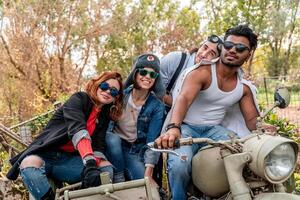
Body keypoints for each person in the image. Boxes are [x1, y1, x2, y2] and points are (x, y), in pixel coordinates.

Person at [155, 25, 260, 200]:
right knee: (179, 165)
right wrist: (174, 128)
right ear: (222, 47)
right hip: (186, 128)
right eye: (228, 45)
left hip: (215, 130)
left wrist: (263, 126)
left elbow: (251, 119)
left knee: (244, 155)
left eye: (240, 48)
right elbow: (184, 99)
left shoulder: (244, 87)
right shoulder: (202, 72)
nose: (233, 50)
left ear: (248, 54)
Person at [6, 71, 124, 200]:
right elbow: (77, 129)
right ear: (96, 84)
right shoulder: (79, 99)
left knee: (106, 169)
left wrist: (99, 161)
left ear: (116, 97)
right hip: (46, 155)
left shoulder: (104, 115)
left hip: (69, 161)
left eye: (113, 91)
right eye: (104, 86)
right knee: (28, 164)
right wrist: (90, 163)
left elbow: (98, 145)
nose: (107, 92)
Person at [105, 53, 165, 185]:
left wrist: (148, 173)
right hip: (111, 146)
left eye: (152, 74)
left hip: (134, 150)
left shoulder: (157, 106)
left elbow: (152, 143)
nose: (147, 77)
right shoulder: (120, 95)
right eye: (143, 72)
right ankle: (119, 177)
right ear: (135, 74)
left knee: (145, 185)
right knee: (112, 138)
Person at [160, 34, 223, 107]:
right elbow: (155, 89)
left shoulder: (211, 80)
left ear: (216, 60)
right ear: (200, 46)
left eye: (211, 54)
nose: (203, 54)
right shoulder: (175, 59)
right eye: (205, 48)